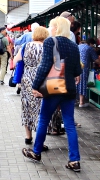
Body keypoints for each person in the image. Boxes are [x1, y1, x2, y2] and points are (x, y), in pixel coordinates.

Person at [22, 17, 84, 171]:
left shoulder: (51, 42)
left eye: (51, 26)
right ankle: (74, 160)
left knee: (44, 119)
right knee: (69, 124)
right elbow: (77, 70)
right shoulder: (74, 45)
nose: (50, 29)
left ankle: (36, 152)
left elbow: (44, 66)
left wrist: (35, 85)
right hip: (69, 90)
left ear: (56, 27)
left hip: (54, 88)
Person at [19, 25, 49, 144]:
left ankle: (28, 136)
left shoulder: (25, 46)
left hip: (27, 79)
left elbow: (17, 60)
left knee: (27, 107)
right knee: (41, 109)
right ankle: (39, 139)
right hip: (42, 79)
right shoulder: (47, 47)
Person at [77, 33, 100, 106]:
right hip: (84, 68)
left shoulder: (79, 46)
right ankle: (81, 102)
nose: (93, 46)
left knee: (77, 83)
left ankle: (76, 100)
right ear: (90, 43)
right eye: (93, 44)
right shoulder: (89, 48)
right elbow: (96, 60)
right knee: (83, 83)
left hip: (76, 66)